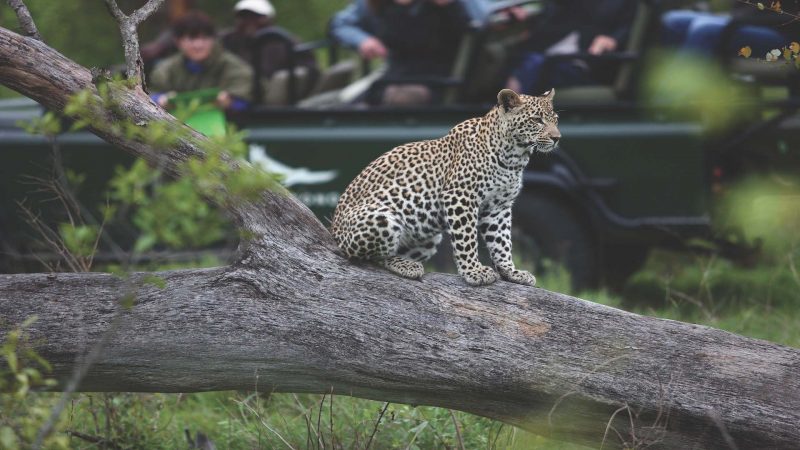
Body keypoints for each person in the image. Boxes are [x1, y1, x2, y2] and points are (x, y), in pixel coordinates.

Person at [329, 0, 472, 105]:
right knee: (339, 104)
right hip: (393, 76)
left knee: (401, 97)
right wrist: (362, 40)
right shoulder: (378, 6)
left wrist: (451, 6)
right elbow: (339, 24)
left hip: (439, 80)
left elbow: (485, 20)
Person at [506, 0, 637, 95]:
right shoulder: (562, 8)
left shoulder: (626, 4)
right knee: (516, 60)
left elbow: (626, 30)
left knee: (536, 65)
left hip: (582, 64)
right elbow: (544, 21)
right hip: (545, 55)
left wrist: (613, 40)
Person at [149, 11, 254, 112]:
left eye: (204, 38)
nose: (198, 45)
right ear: (177, 41)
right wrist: (160, 99)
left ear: (213, 39)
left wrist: (230, 102)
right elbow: (149, 95)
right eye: (191, 38)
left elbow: (247, 101)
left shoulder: (235, 67)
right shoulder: (165, 69)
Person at [220, 0, 318, 92]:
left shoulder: (285, 42)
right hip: (239, 93)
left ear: (269, 19)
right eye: (244, 17)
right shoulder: (229, 40)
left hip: (275, 97)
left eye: (256, 17)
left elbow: (310, 72)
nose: (249, 21)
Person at [661, 1, 799, 58]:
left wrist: (738, 21)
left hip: (786, 35)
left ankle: (673, 103)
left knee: (705, 30)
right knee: (673, 20)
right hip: (745, 21)